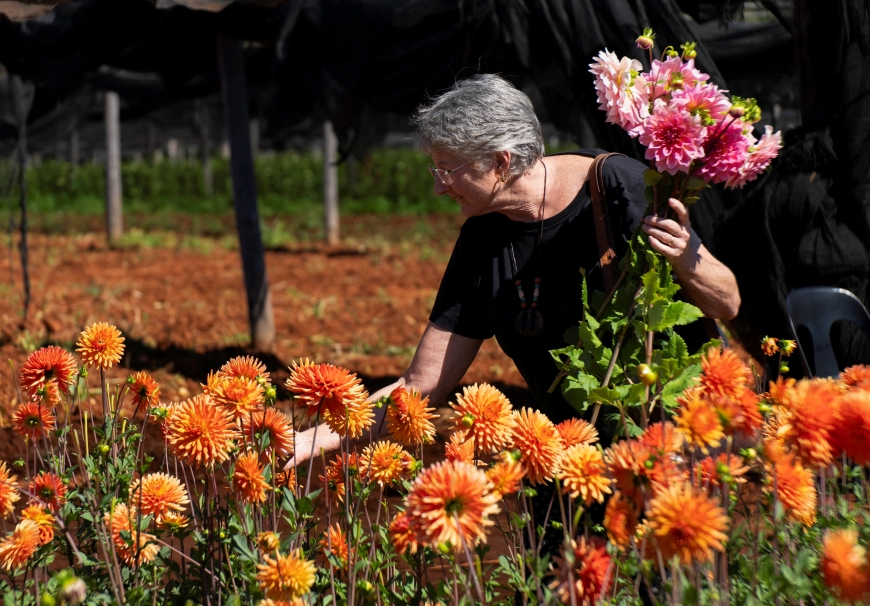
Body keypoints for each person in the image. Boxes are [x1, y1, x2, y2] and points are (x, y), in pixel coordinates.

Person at [289, 74, 740, 465]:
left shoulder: (614, 188)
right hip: (563, 457)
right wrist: (316, 439)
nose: (436, 187)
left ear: (501, 162)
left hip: (669, 445)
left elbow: (728, 301)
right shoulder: (482, 239)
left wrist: (684, 259)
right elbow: (421, 384)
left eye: (447, 169)